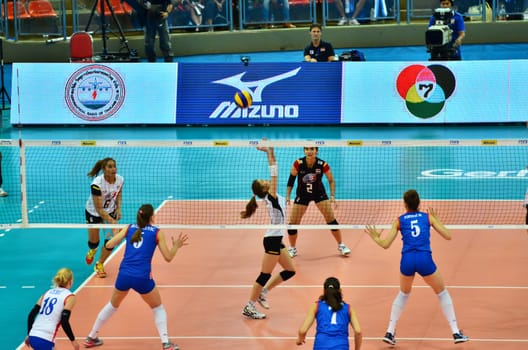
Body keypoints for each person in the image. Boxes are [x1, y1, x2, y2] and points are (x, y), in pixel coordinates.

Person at [364, 189, 469, 345]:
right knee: (442, 292)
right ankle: (455, 332)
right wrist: (438, 221)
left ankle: (390, 331)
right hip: (424, 260)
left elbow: (385, 245)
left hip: (407, 260)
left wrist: (375, 238)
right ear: (419, 203)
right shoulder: (428, 218)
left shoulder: (399, 220)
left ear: (405, 204)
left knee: (404, 293)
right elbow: (448, 235)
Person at [83, 203, 189, 349]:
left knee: (112, 305)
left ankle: (91, 337)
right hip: (142, 278)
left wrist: (117, 234)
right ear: (152, 217)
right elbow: (168, 257)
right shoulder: (157, 233)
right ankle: (166, 343)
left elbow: (109, 245)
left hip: (124, 275)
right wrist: (176, 246)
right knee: (157, 307)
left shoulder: (129, 228)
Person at [241, 145, 296, 320]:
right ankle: (249, 306)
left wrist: (270, 152)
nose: (267, 180)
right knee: (264, 274)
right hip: (272, 240)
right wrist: (270, 154)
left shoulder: (270, 195)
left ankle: (263, 292)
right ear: (264, 188)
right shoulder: (271, 194)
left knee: (289, 270)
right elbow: (274, 171)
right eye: (263, 182)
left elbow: (273, 166)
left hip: (276, 238)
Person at [286, 146, 350, 257]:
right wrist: (288, 196)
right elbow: (291, 180)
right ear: (304, 151)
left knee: (331, 219)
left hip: (319, 194)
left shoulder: (322, 164)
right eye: (306, 149)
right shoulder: (298, 163)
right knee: (292, 224)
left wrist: (332, 196)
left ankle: (341, 245)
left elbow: (331, 180)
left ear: (316, 151)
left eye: (312, 149)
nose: (309, 151)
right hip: (302, 195)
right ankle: (292, 248)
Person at [297, 277, 362, 350]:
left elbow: (302, 330)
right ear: (339, 291)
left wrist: (300, 339)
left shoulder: (316, 306)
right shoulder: (348, 308)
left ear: (324, 291)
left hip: (321, 346)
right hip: (341, 346)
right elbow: (358, 331)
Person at [85, 158, 124, 278]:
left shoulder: (120, 179)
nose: (113, 169)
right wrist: (113, 222)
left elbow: (118, 193)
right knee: (94, 242)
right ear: (104, 169)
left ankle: (99, 264)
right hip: (94, 213)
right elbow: (99, 209)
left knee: (111, 242)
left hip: (110, 211)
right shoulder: (97, 184)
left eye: (114, 166)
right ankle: (92, 250)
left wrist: (118, 208)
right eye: (110, 167)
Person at [25, 268, 80, 350]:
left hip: (33, 336)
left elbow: (31, 315)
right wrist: (73, 341)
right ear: (70, 281)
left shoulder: (47, 293)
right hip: (46, 339)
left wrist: (29, 334)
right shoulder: (69, 297)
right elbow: (64, 321)